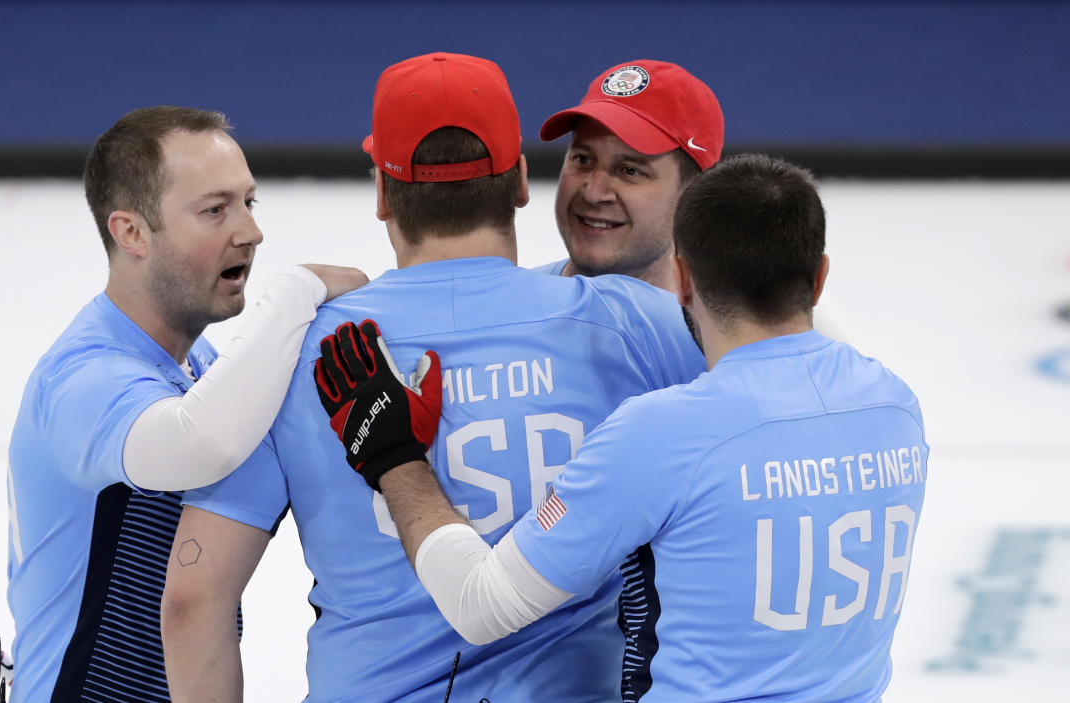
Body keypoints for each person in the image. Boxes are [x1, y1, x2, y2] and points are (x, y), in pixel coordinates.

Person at [160, 53, 705, 702]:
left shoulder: (303, 351)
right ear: (522, 182)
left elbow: (192, 599)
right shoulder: (640, 326)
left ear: (385, 194)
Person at [322, 153, 928, 702]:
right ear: (818, 278)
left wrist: (394, 457)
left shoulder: (665, 434)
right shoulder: (897, 408)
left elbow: (480, 606)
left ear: (684, 278)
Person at [5, 106, 365, 702]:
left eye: (250, 203)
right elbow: (198, 445)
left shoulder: (195, 365)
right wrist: (295, 294)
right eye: (215, 210)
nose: (250, 232)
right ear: (132, 233)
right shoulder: (82, 378)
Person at [537, 59, 852, 341]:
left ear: (696, 191)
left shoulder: (777, 329)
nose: (593, 192)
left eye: (630, 170)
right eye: (582, 159)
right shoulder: (510, 310)